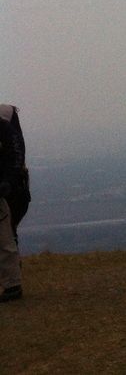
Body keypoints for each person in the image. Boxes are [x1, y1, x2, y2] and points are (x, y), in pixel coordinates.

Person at [0, 103, 28, 303]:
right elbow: (16, 153)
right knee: (6, 236)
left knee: (4, 236)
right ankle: (12, 284)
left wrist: (7, 181)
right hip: (8, 187)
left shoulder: (3, 127)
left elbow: (14, 153)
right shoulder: (6, 126)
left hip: (6, 189)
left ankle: (12, 285)